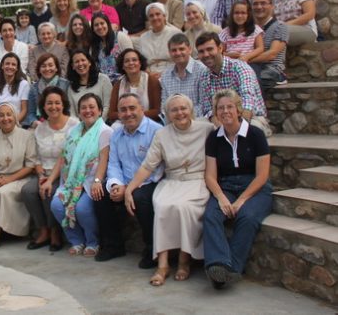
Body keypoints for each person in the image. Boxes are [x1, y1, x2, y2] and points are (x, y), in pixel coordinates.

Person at [125, 94, 214, 286]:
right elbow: (148, 165)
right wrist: (129, 189)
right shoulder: (162, 134)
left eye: (183, 108)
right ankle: (163, 265)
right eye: (174, 110)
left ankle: (184, 261)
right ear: (167, 114)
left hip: (197, 182)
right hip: (172, 182)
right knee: (162, 206)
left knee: (184, 208)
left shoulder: (206, 129)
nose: (180, 113)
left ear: (191, 110)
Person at [203, 89, 273, 289]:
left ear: (238, 110)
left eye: (229, 107)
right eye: (220, 108)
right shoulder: (214, 138)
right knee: (211, 215)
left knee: (247, 217)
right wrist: (220, 197)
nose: (225, 111)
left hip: (255, 187)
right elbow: (210, 175)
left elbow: (262, 175)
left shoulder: (255, 134)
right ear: (216, 112)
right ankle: (218, 264)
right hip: (226, 186)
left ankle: (231, 270)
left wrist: (242, 200)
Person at [94, 93, 163, 267]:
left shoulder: (156, 131)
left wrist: (130, 188)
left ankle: (152, 249)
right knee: (101, 194)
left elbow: (156, 169)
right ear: (118, 114)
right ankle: (113, 246)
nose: (128, 113)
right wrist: (116, 184)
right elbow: (113, 164)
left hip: (150, 182)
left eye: (132, 108)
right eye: (123, 110)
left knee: (140, 198)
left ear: (142, 109)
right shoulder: (117, 134)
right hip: (124, 182)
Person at [51, 94, 113, 257]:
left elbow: (104, 158)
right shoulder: (73, 131)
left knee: (82, 208)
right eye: (83, 108)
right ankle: (76, 240)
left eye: (92, 107)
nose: (88, 111)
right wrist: (52, 180)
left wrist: (98, 180)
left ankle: (93, 242)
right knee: (56, 205)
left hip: (91, 181)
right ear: (78, 112)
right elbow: (64, 157)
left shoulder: (105, 131)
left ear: (100, 111)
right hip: (71, 181)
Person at [23, 87, 78, 251]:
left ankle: (55, 232)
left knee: (48, 192)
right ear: (43, 106)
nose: (53, 107)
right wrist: (41, 175)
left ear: (63, 104)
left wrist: (50, 179)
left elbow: (68, 156)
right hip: (44, 172)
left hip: (64, 174)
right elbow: (36, 157)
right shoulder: (40, 128)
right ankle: (43, 230)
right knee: (28, 191)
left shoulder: (74, 125)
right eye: (49, 103)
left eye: (57, 103)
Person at [0, 103, 37, 252]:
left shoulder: (27, 136)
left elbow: (30, 166)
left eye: (9, 114)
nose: (5, 118)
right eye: (1, 115)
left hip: (19, 177)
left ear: (15, 116)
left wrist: (9, 179)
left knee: (2, 193)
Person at [196, 32, 272, 136]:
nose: (206, 54)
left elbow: (248, 103)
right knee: (200, 126)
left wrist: (234, 129)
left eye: (210, 49)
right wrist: (221, 128)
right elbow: (208, 109)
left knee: (252, 131)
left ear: (220, 48)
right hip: (221, 119)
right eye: (201, 51)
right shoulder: (204, 75)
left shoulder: (240, 68)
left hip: (250, 118)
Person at [248, 0, 289, 94]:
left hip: (272, 69)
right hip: (251, 67)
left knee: (254, 81)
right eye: (255, 4)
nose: (259, 7)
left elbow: (272, 54)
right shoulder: (249, 28)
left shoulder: (280, 26)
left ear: (271, 6)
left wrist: (245, 59)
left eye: (263, 3)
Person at [107, 49, 161, 124]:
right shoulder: (118, 85)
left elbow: (157, 111)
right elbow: (111, 114)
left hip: (147, 121)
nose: (131, 63)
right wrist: (127, 117)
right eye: (127, 61)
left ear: (140, 63)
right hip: (124, 123)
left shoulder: (152, 81)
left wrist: (135, 116)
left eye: (134, 60)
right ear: (122, 66)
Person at [161, 34, 206, 117]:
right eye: (174, 50)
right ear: (169, 53)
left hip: (197, 120)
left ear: (190, 50)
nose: (178, 53)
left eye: (181, 49)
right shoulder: (165, 75)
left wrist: (183, 116)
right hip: (174, 121)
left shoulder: (202, 71)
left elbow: (203, 105)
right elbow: (164, 106)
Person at [25, 53, 70, 127]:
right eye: (43, 66)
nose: (47, 69)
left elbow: (68, 109)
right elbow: (31, 113)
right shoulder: (34, 88)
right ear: (39, 69)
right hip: (40, 125)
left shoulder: (65, 85)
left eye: (50, 65)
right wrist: (34, 122)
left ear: (56, 68)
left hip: (63, 124)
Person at [138, 2, 182, 75]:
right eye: (151, 16)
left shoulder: (175, 33)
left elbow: (181, 58)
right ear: (148, 19)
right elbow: (142, 62)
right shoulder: (143, 37)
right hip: (150, 73)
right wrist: (150, 74)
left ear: (164, 16)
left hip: (172, 71)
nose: (155, 18)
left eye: (158, 14)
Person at [67, 50, 113, 119]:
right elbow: (72, 114)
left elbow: (108, 106)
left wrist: (97, 124)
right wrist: (82, 125)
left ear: (89, 62)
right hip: (80, 125)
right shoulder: (71, 88)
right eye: (77, 62)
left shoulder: (103, 79)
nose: (80, 64)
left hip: (102, 123)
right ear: (73, 66)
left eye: (83, 60)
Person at [91, 12, 133, 84]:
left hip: (123, 81)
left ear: (108, 24)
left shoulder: (120, 37)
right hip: (104, 83)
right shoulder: (94, 45)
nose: (100, 27)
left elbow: (131, 59)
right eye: (96, 25)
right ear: (93, 29)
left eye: (102, 23)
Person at [0, 52, 30, 125]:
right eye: (7, 64)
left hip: (17, 124)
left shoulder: (24, 84)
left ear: (17, 68)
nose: (10, 66)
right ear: (2, 66)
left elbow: (24, 110)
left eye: (13, 64)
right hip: (0, 125)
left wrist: (12, 125)